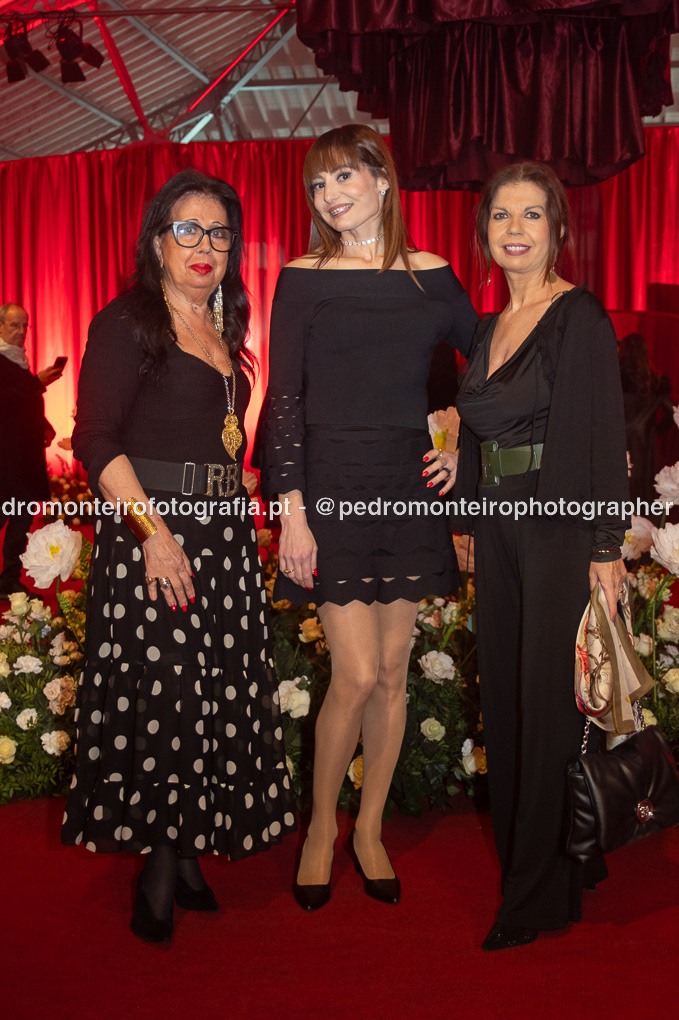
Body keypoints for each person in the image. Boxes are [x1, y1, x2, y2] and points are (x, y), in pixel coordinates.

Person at [61, 169, 296, 943]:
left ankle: (188, 851)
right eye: (187, 229)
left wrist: (238, 491)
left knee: (210, 694)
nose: (205, 245)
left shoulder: (225, 325)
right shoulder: (127, 322)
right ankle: (159, 868)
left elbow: (215, 436)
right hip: (156, 538)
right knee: (167, 699)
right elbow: (95, 439)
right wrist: (153, 535)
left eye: (219, 232)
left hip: (222, 535)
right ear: (157, 241)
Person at [258, 124, 477, 911]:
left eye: (343, 176)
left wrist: (461, 443)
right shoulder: (301, 277)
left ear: (382, 180)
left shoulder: (432, 276)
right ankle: (322, 828)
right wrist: (292, 513)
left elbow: (492, 366)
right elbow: (284, 398)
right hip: (330, 488)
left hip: (406, 485)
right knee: (352, 673)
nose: (329, 195)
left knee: (390, 672)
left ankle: (370, 830)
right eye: (317, 184)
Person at [453, 161, 629, 951]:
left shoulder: (577, 315)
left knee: (550, 706)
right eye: (501, 215)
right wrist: (463, 513)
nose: (515, 229)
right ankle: (563, 856)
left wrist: (605, 545)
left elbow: (601, 432)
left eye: (531, 215)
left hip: (557, 526)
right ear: (485, 231)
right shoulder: (486, 327)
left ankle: (535, 896)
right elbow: (475, 431)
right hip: (496, 525)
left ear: (556, 229)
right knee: (508, 700)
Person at [0, 303, 60, 600]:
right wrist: (36, 383)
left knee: (21, 521)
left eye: (25, 325)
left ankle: (9, 581)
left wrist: (44, 427)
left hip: (23, 457)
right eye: (15, 325)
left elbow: (21, 405)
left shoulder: (17, 360)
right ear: (0, 326)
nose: (21, 331)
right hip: (6, 459)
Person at [618, 332, 674, 507]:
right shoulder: (655, 384)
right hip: (643, 447)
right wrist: (657, 429)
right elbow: (673, 413)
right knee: (641, 496)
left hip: (616, 441)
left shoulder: (613, 380)